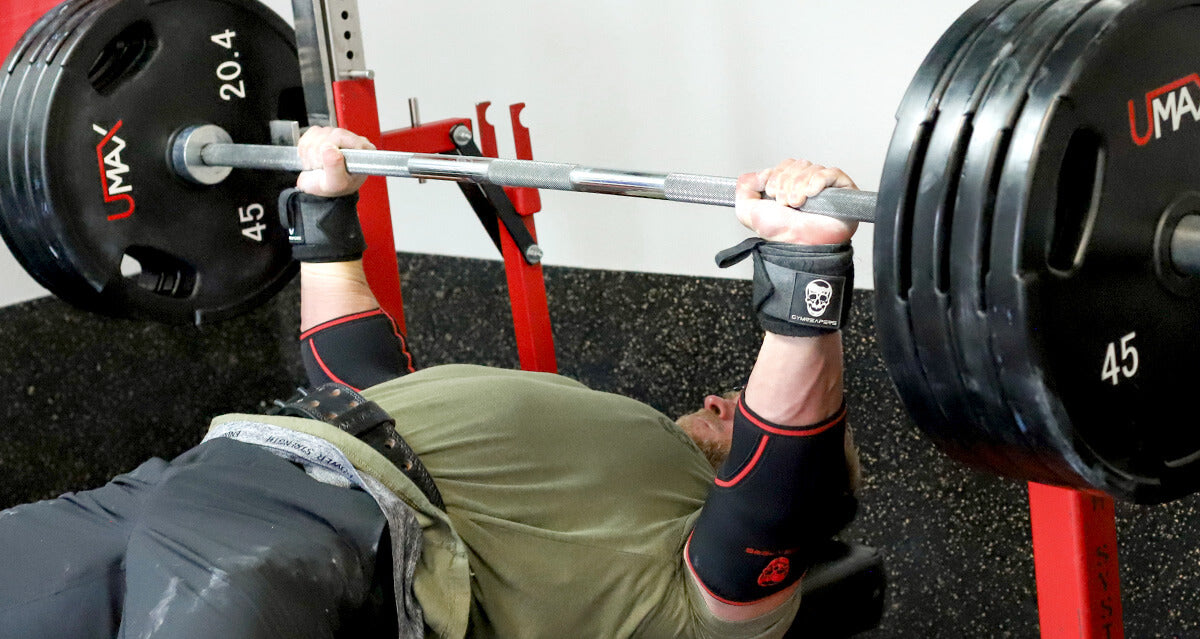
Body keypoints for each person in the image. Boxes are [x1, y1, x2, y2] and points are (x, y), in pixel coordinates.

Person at [0, 127, 861, 638]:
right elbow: (358, 384)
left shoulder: (713, 585)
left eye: (739, 418)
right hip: (201, 477)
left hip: (312, 543)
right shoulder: (596, 438)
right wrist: (324, 208)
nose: (720, 400)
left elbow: (776, 488)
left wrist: (805, 270)